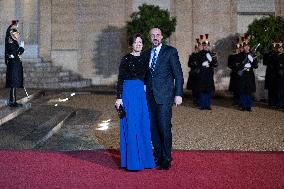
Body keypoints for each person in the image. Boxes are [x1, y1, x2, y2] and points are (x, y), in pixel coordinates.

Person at [144, 28, 184, 170]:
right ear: (150, 38)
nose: (155, 37)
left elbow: (178, 74)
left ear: (162, 36)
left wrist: (178, 94)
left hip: (165, 96)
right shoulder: (146, 53)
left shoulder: (170, 51)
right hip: (149, 97)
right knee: (153, 128)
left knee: (164, 127)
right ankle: (158, 156)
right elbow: (146, 75)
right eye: (152, 35)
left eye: (157, 35)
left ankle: (167, 158)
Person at [115, 33, 155, 171]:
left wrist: (145, 87)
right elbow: (120, 79)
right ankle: (131, 162)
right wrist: (119, 98)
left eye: (140, 42)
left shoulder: (145, 59)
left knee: (143, 124)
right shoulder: (125, 59)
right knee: (131, 124)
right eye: (136, 42)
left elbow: (148, 77)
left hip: (140, 94)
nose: (138, 44)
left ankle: (144, 160)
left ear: (143, 44)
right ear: (131, 45)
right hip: (128, 94)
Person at [195, 34, 218, 110]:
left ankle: (207, 105)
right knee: (202, 89)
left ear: (209, 46)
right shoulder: (199, 54)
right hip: (202, 73)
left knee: (208, 89)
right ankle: (202, 105)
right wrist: (202, 64)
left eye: (207, 46)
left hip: (209, 73)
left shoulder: (213, 54)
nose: (206, 47)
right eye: (204, 45)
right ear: (203, 46)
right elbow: (197, 64)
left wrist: (211, 61)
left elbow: (215, 64)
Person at [236, 34, 258, 111]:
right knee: (242, 90)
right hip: (243, 74)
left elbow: (256, 66)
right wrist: (243, 65)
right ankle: (243, 105)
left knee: (249, 91)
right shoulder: (240, 55)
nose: (246, 47)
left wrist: (252, 62)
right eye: (245, 46)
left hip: (249, 75)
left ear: (249, 47)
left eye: (247, 46)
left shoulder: (253, 55)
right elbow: (237, 66)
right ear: (243, 47)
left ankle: (248, 106)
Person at [5, 28, 25, 107]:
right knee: (13, 82)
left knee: (14, 83)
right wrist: (22, 48)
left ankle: (13, 101)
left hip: (15, 64)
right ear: (13, 35)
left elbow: (15, 54)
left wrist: (18, 52)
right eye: (17, 34)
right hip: (13, 65)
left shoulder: (14, 42)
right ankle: (12, 102)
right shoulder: (11, 42)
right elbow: (16, 54)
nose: (18, 35)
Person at [263, 41, 280, 107]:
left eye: (276, 47)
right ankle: (271, 102)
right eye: (273, 47)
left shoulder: (278, 55)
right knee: (271, 89)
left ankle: (276, 102)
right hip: (270, 73)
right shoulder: (268, 54)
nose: (274, 48)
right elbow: (265, 62)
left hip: (276, 74)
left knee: (276, 89)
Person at [187, 39, 202, 106]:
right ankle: (195, 100)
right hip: (194, 73)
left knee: (199, 88)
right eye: (197, 47)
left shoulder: (202, 55)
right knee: (194, 88)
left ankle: (199, 100)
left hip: (200, 73)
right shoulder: (192, 55)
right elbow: (189, 64)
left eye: (199, 46)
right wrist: (193, 63)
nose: (198, 48)